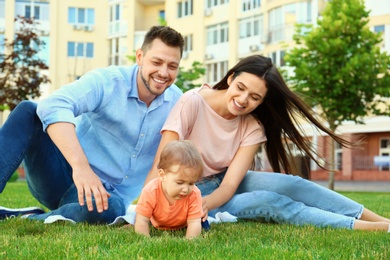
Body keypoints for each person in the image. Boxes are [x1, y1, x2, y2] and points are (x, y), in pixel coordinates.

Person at [145, 55, 390, 233]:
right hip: (191, 188)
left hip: (225, 183)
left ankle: (382, 220)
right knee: (273, 203)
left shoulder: (252, 125)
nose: (243, 100)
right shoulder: (193, 102)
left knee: (294, 185)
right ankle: (371, 228)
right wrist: (150, 206)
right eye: (240, 88)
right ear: (231, 78)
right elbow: (162, 160)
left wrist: (208, 204)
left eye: (254, 98)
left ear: (262, 101)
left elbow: (230, 183)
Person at [0, 25, 184, 224]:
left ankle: (26, 219)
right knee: (29, 110)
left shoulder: (178, 104)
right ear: (140, 57)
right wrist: (82, 168)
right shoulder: (109, 82)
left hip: (102, 200)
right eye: (156, 62)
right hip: (60, 174)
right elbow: (53, 104)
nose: (164, 72)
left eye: (172, 66)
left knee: (110, 209)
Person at [135, 140, 204, 239]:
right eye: (180, 182)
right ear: (162, 175)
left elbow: (194, 222)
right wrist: (145, 240)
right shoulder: (150, 191)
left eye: (191, 183)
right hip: (157, 223)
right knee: (141, 224)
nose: (185, 189)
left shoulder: (194, 194)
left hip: (184, 224)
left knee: (202, 223)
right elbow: (142, 219)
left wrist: (190, 242)